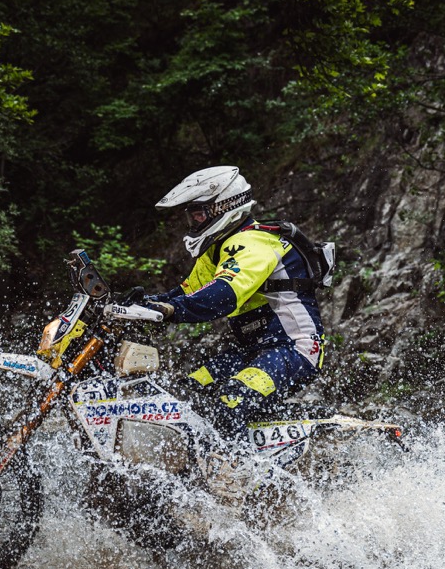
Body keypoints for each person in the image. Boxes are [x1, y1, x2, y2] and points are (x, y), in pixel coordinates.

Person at [129, 165, 326, 447]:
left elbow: (221, 296)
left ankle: (232, 473)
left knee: (229, 401)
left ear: (226, 205)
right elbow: (184, 294)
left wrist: (169, 311)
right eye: (191, 215)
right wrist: (138, 304)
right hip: (251, 352)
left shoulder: (253, 242)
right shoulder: (217, 250)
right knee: (183, 395)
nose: (194, 221)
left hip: (294, 349)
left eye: (199, 213)